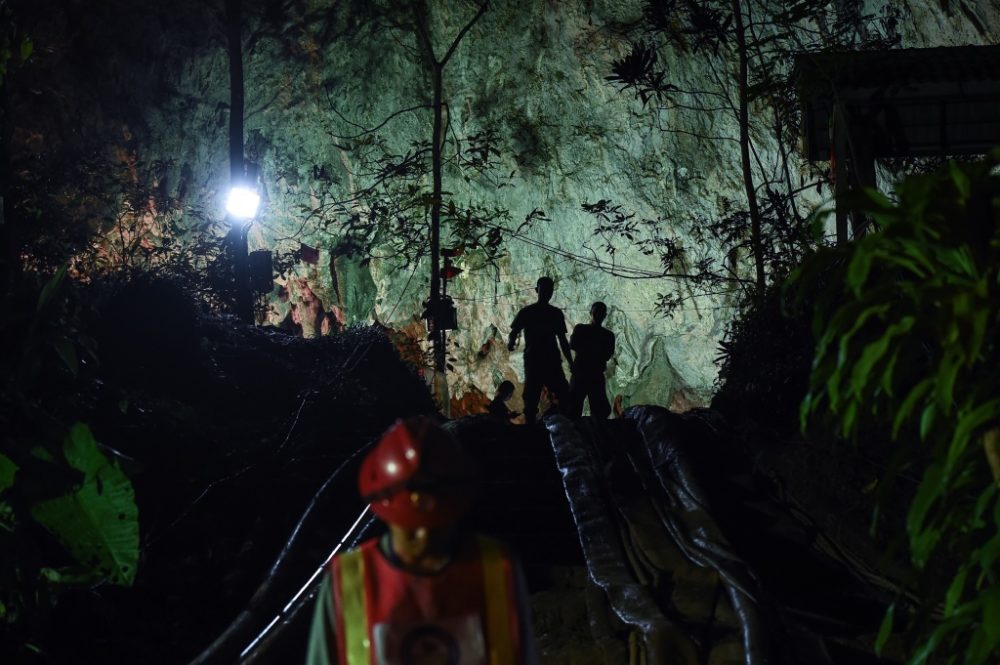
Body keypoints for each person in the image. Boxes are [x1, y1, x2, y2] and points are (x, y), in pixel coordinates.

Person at [306, 417, 537, 665]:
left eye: (438, 525)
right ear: (386, 513)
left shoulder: (496, 569)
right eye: (411, 528)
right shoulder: (348, 581)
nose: (425, 536)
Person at [507, 277, 573, 425]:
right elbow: (562, 340)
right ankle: (560, 426)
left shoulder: (529, 312)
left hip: (537, 360)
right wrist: (570, 362)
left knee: (534, 397)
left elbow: (514, 332)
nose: (547, 293)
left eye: (548, 290)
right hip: (545, 360)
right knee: (555, 395)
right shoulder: (553, 313)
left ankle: (536, 428)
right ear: (537, 291)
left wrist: (512, 341)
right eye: (545, 290)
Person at [568, 302, 615, 419]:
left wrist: (586, 348)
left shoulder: (581, 329)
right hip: (592, 374)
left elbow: (573, 345)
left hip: (583, 373)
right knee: (598, 411)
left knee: (574, 408)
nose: (597, 315)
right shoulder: (608, 335)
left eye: (599, 313)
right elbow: (606, 355)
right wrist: (596, 351)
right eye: (596, 313)